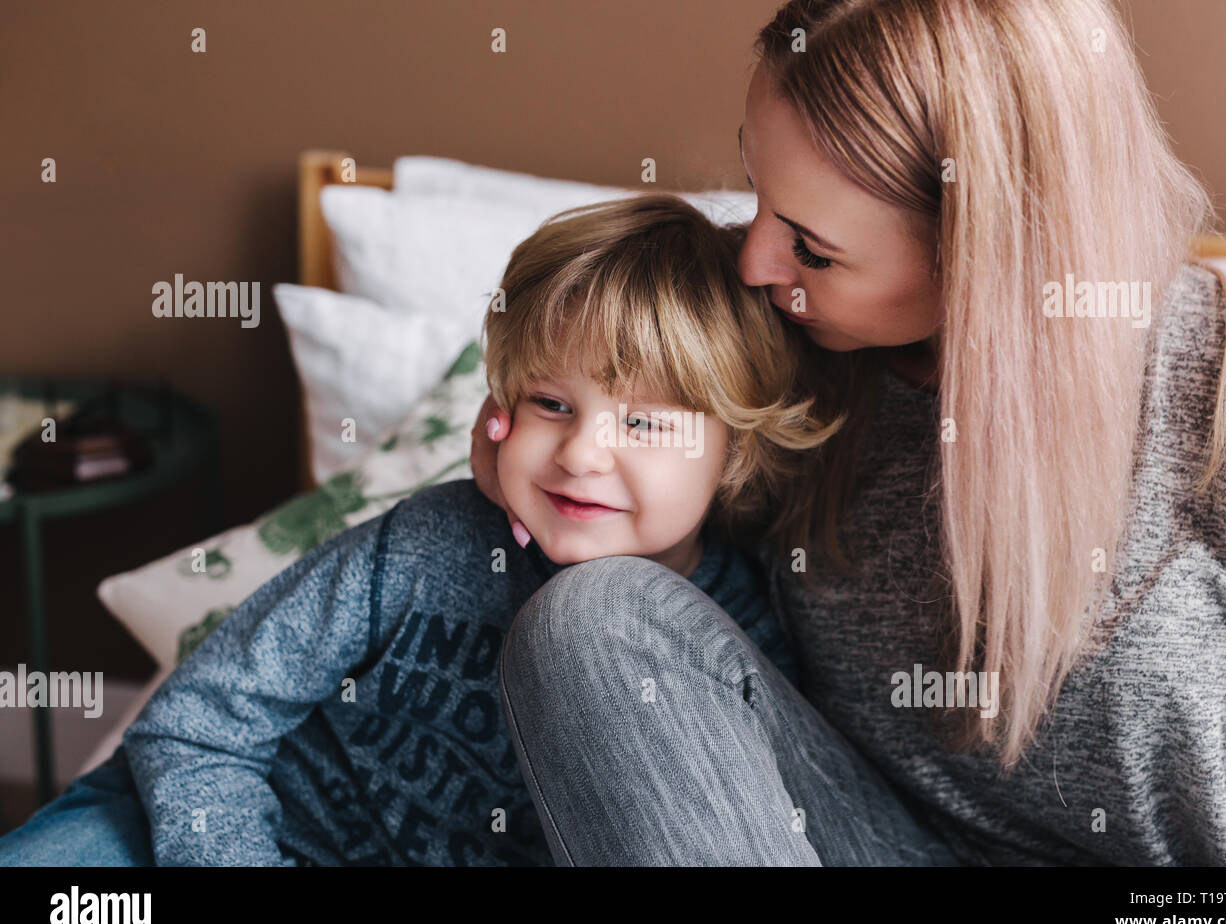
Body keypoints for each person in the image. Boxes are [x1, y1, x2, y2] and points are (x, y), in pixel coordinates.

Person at [479, 0, 1226, 865]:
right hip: (862, 843)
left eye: (814, 250)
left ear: (983, 249)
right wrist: (532, 447)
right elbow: (594, 427)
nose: (756, 263)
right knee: (589, 627)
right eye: (757, 195)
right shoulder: (770, 336)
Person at [0, 194, 845, 866]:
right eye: (552, 404)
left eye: (647, 424)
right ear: (497, 414)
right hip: (207, 827)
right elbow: (198, 722)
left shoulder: (741, 642)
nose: (583, 452)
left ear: (735, 451)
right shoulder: (428, 544)